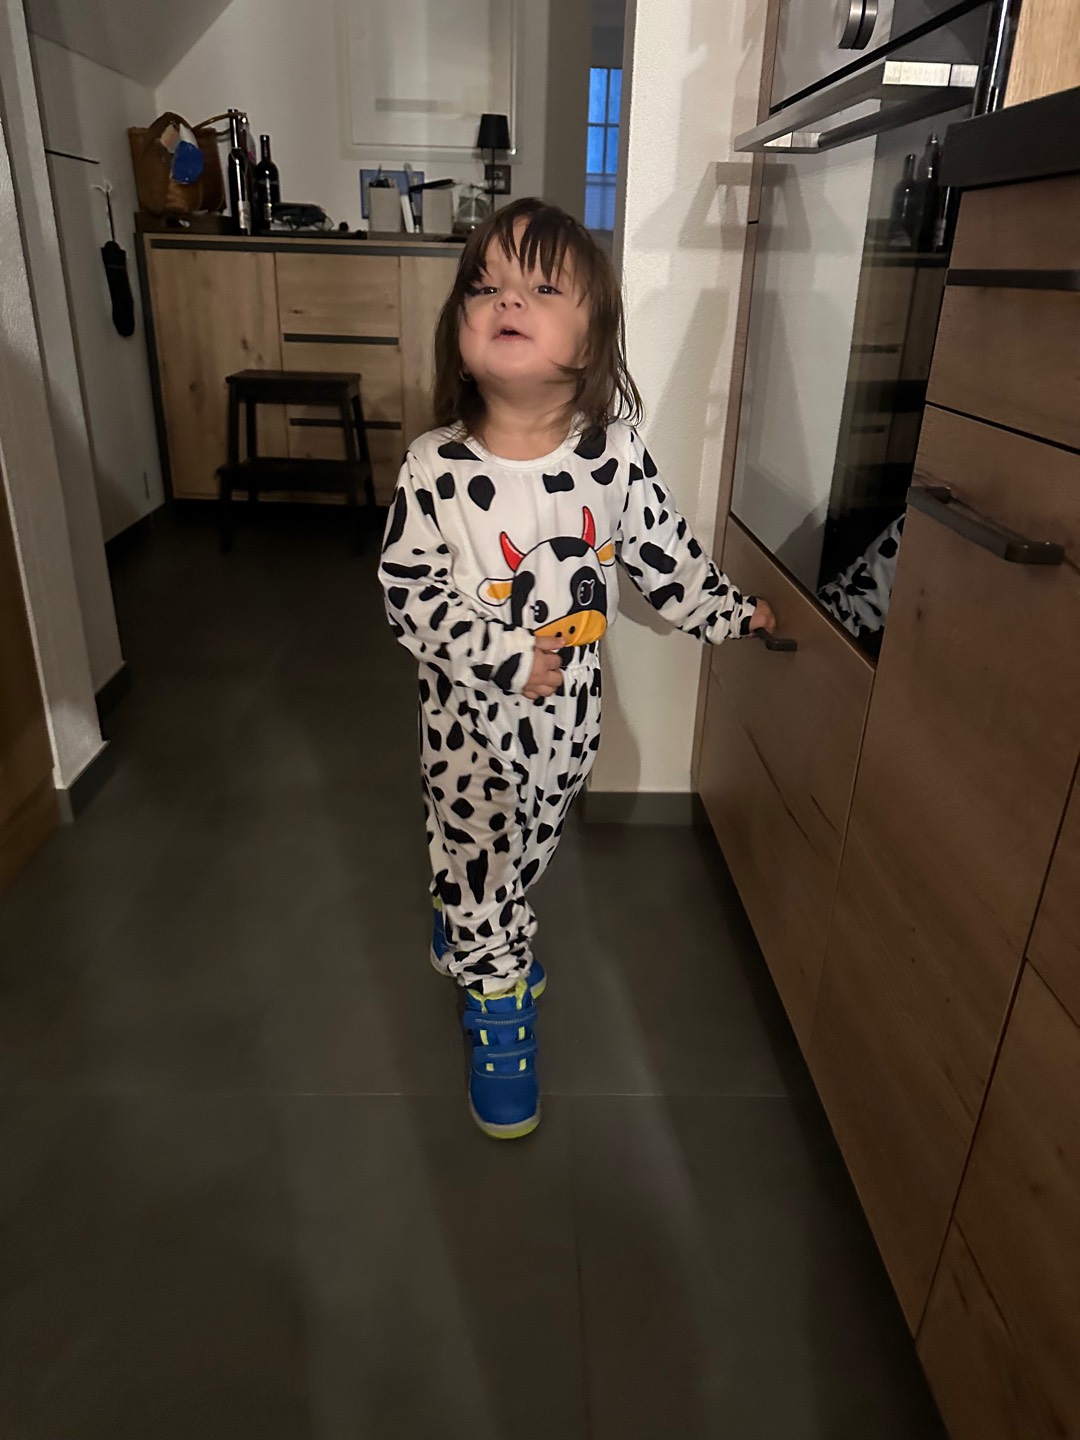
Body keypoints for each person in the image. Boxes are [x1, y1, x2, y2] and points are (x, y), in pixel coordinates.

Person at [379, 198, 776, 1140]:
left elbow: (667, 562)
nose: (506, 300)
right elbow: (406, 594)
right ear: (459, 335)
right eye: (484, 287)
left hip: (566, 732)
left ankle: (472, 911)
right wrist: (507, 656)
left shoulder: (614, 458)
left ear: (591, 338)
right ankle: (496, 992)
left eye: (541, 287)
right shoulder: (434, 468)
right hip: (467, 730)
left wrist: (732, 612)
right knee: (485, 862)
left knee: (524, 853)